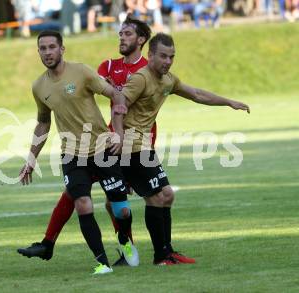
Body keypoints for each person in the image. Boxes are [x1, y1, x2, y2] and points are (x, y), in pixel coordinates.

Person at [18, 16, 196, 266]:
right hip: (110, 141)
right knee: (78, 194)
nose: (121, 37)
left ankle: (155, 251)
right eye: (120, 33)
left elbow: (177, 92)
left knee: (148, 197)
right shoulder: (108, 66)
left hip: (134, 143)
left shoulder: (152, 68)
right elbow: (98, 89)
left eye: (127, 33)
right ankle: (134, 249)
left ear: (142, 40)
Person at [115, 33, 250, 265]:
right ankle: (161, 256)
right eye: (163, 56)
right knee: (156, 198)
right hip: (131, 147)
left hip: (143, 146)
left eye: (171, 57)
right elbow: (119, 106)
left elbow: (197, 94)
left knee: (166, 195)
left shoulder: (169, 81)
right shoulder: (140, 78)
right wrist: (118, 135)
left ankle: (167, 252)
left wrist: (228, 102)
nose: (167, 61)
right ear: (150, 56)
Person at [19, 30, 137, 274]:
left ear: (62, 49)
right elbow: (43, 122)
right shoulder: (39, 86)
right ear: (39, 52)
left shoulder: (82, 72)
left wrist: (118, 131)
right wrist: (31, 159)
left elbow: (114, 94)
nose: (48, 52)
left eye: (52, 47)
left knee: (122, 210)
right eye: (43, 48)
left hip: (103, 149)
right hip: (72, 154)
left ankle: (125, 242)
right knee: (83, 204)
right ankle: (102, 263)